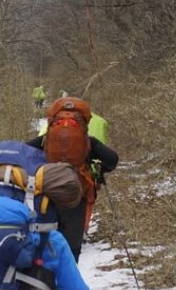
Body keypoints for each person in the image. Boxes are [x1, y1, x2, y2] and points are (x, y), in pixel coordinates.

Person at [28, 96, 119, 262]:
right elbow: (112, 159)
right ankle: (68, 280)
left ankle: (44, 280)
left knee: (43, 245)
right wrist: (100, 169)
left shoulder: (45, 141)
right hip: (76, 196)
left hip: (46, 194)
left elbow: (23, 152)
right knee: (71, 249)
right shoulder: (88, 142)